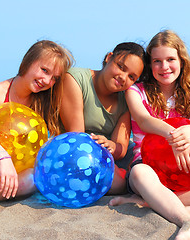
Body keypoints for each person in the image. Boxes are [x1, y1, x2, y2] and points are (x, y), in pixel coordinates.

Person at [110, 30, 190, 240]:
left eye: (170, 59)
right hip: (147, 165)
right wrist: (176, 137)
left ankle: (152, 201)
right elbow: (144, 120)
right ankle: (188, 223)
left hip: (185, 170)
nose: (164, 67)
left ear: (181, 61)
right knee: (140, 174)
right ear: (150, 65)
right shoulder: (136, 91)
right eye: (157, 61)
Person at [0, 40, 74, 221]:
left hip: (13, 169)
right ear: (28, 62)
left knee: (34, 179)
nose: (47, 81)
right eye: (44, 70)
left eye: (54, 78)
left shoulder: (43, 103)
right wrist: (2, 157)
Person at [60, 42, 145, 194]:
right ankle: (125, 178)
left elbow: (121, 148)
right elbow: (76, 136)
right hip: (75, 153)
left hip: (109, 155)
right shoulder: (75, 79)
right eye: (121, 67)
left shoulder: (126, 98)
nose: (123, 77)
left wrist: (111, 145)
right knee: (117, 184)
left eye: (131, 77)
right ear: (109, 57)